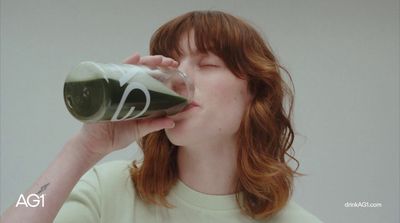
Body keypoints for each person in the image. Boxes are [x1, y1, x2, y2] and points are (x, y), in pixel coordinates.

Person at [1, 10, 323, 223]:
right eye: (172, 64)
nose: (182, 77)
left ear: (254, 90)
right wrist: (83, 149)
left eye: (207, 64)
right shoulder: (109, 192)